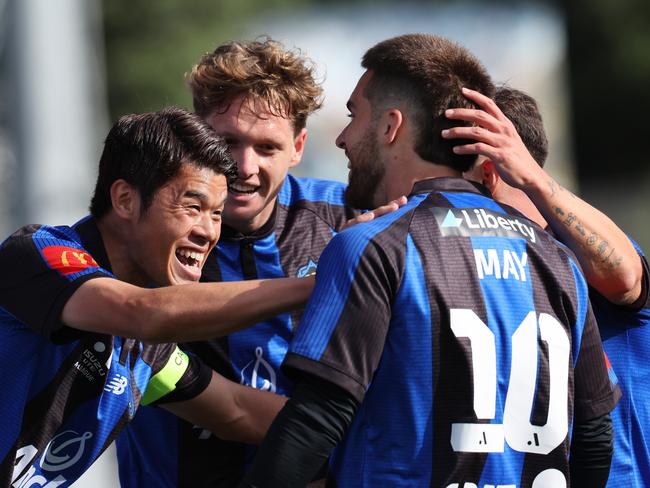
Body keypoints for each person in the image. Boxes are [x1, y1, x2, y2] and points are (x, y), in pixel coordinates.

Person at [240, 34, 620, 488]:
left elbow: (316, 421)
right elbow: (595, 436)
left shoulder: (374, 244)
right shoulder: (558, 257)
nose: (341, 138)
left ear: (390, 127)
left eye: (352, 115)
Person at [117, 38, 404, 487]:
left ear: (298, 146)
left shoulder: (351, 221)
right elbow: (232, 411)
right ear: (195, 130)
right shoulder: (143, 233)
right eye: (227, 141)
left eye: (267, 147)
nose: (243, 166)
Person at [0, 107, 314, 487]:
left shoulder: (147, 348)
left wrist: (371, 429)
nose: (208, 232)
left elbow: (237, 411)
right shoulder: (37, 254)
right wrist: (320, 284)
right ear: (125, 200)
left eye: (216, 213)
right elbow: (143, 313)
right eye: (193, 207)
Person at [443, 85, 650, 487]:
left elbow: (626, 279)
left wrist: (532, 178)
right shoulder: (459, 261)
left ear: (489, 172)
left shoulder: (578, 249)